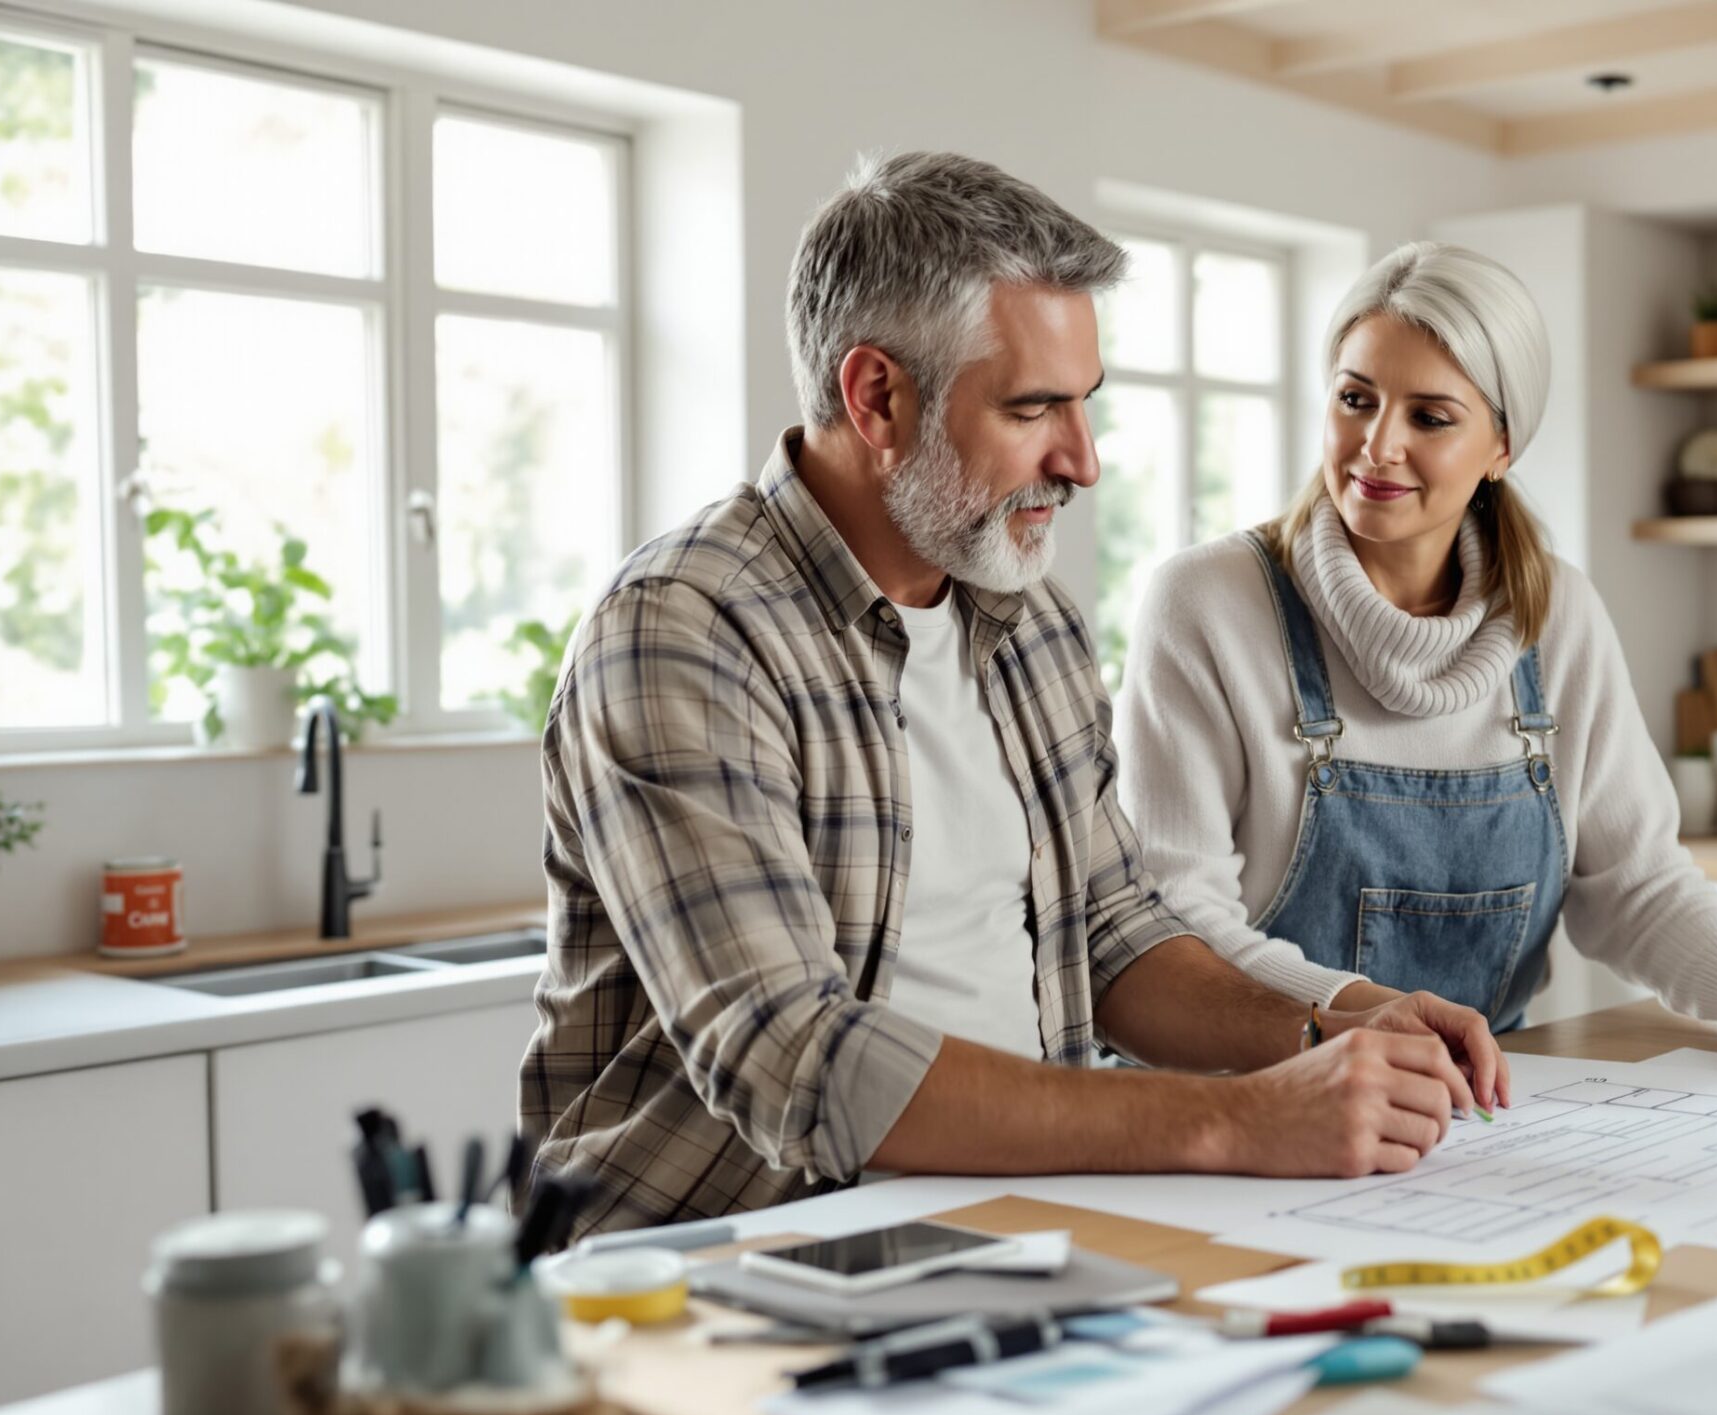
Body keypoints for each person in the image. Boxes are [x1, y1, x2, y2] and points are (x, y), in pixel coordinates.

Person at [522, 155, 1504, 1238]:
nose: (1082, 462)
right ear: (876, 396)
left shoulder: (1030, 622)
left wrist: (1330, 1031)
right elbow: (795, 1058)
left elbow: (1115, 932)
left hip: (1003, 1236)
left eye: (1084, 405)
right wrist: (1235, 1121)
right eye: (1034, 408)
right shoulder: (687, 628)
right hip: (714, 1275)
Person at [1116, 241, 1717, 1093]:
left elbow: (1635, 882)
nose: (1375, 446)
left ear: (1501, 444)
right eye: (1355, 399)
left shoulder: (1557, 617)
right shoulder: (1208, 604)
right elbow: (1176, 922)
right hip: (1250, 1097)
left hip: (1477, 1115)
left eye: (1430, 417)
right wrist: (1354, 1014)